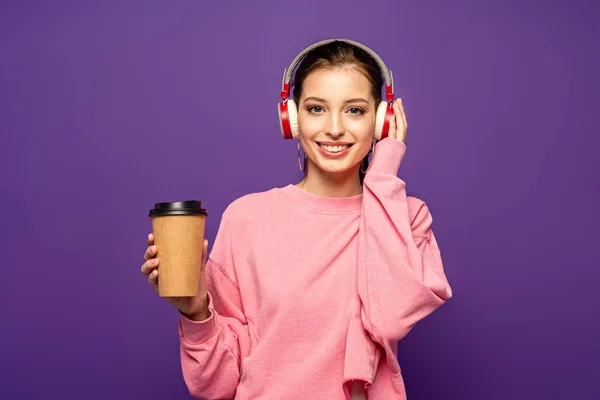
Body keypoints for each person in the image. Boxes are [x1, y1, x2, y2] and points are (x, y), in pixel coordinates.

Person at [140, 38, 453, 400]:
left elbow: (388, 318)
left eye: (354, 110)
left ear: (381, 120)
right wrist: (195, 311)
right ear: (291, 117)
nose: (334, 128)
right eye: (316, 108)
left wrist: (384, 176)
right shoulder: (247, 218)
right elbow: (217, 385)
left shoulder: (407, 217)